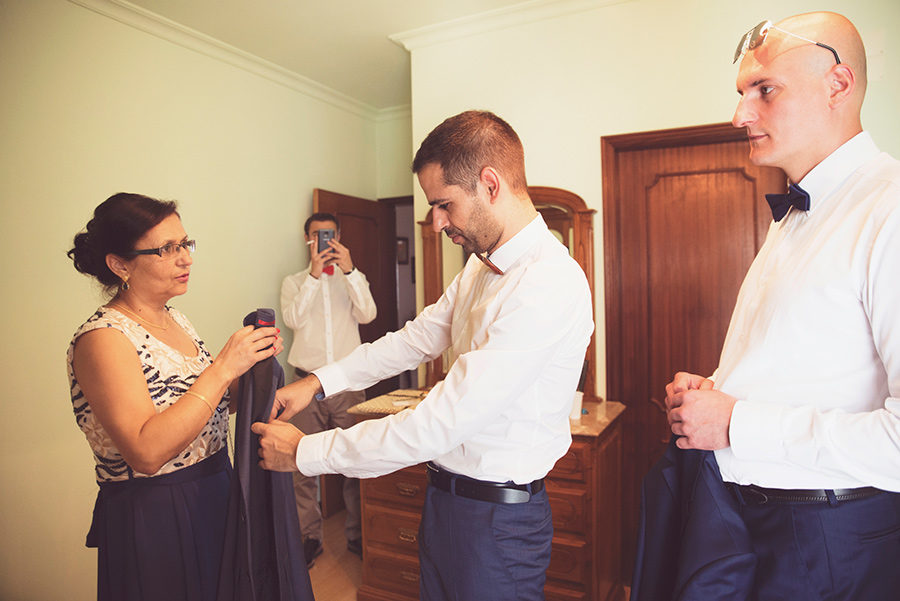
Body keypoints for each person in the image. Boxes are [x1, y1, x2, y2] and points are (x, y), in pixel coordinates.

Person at [252, 110, 594, 601]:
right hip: (447, 502)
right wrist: (318, 382)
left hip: (498, 522)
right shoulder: (479, 269)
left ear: (490, 184)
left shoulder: (547, 282)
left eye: (443, 205)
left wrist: (306, 452)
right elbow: (414, 339)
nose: (435, 224)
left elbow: (439, 422)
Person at [664, 12, 900, 600]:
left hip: (828, 545)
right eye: (743, 93)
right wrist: (716, 388)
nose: (740, 114)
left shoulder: (891, 212)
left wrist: (737, 421)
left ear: (837, 85)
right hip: (750, 527)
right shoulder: (796, 216)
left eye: (764, 90)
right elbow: (808, 366)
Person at [66, 192, 281, 601]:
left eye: (185, 244)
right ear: (120, 264)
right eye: (167, 249)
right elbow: (146, 452)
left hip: (214, 489)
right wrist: (222, 367)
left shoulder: (174, 318)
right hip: (156, 511)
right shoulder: (104, 339)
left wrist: (249, 373)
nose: (186, 258)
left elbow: (199, 407)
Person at [280, 212, 377, 565]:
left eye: (330, 234)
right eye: (318, 235)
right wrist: (314, 276)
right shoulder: (293, 282)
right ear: (307, 239)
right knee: (300, 465)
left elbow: (368, 314)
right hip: (305, 383)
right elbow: (292, 320)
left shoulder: (353, 279)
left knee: (357, 461)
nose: (324, 241)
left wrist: (350, 271)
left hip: (348, 384)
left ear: (338, 236)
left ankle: (360, 536)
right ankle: (309, 538)